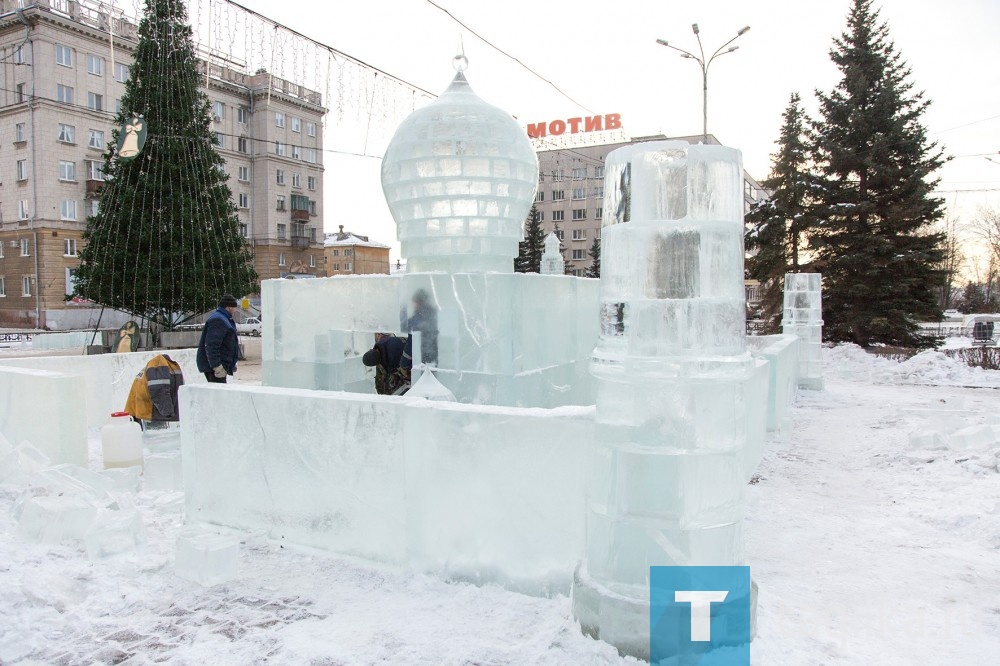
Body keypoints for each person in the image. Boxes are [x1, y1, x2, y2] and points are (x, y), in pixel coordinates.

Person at [197, 294, 240, 383]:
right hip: (214, 369)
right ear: (229, 307)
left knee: (219, 394)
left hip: (219, 366)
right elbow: (211, 345)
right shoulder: (218, 320)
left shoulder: (223, 318)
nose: (235, 310)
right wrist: (217, 367)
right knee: (218, 395)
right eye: (235, 307)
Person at [400, 288, 439, 367]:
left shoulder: (421, 317)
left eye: (415, 302)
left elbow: (408, 330)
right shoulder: (430, 313)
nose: (413, 304)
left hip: (425, 358)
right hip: (433, 358)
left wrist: (404, 363)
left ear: (421, 302)